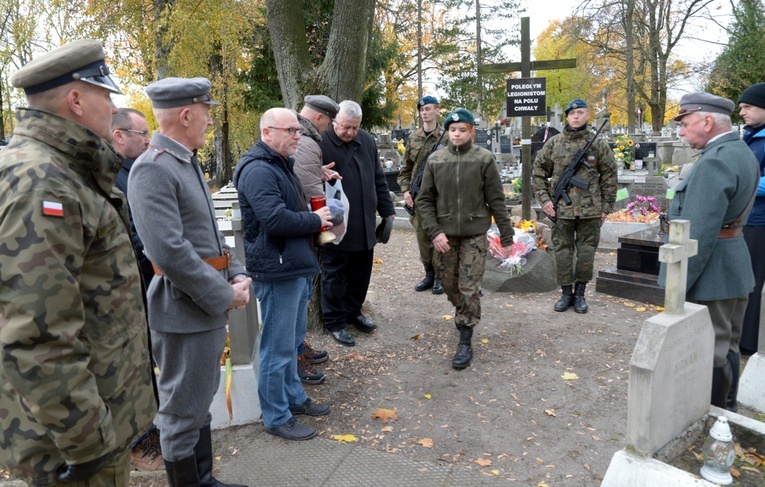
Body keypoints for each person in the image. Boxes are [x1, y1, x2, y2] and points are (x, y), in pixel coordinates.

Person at [0, 39, 156, 486]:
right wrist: (88, 445)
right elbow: (38, 335)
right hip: (76, 439)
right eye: (105, 95)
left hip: (94, 418)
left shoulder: (66, 170)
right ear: (76, 100)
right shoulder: (41, 181)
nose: (111, 107)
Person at [127, 77, 251, 487]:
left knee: (198, 401)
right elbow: (169, 253)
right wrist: (223, 295)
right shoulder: (153, 168)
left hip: (200, 307)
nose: (210, 119)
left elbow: (206, 237)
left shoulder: (184, 160)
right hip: (182, 309)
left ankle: (202, 479)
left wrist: (234, 272)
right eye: (206, 111)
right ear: (185, 114)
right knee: (181, 411)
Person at [233, 107, 334, 441]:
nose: (297, 136)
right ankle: (276, 416)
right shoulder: (259, 170)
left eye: (298, 131)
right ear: (267, 133)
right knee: (277, 348)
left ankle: (293, 397)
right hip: (277, 269)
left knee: (290, 342)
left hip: (293, 263)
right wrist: (315, 221)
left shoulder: (279, 165)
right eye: (290, 130)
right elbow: (274, 219)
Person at [658, 92, 759, 412]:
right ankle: (726, 414)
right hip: (732, 264)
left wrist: (677, 285)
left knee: (713, 348)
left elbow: (697, 232)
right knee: (727, 343)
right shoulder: (739, 151)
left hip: (712, 271)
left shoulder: (716, 161)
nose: (681, 131)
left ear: (707, 121)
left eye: (685, 124)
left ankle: (712, 420)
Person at [416, 108, 514, 369]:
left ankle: (465, 337)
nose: (456, 134)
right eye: (452, 130)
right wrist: (434, 232)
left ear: (471, 131)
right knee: (449, 284)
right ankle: (463, 311)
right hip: (444, 237)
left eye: (462, 130)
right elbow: (424, 200)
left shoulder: (484, 159)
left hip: (474, 234)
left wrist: (507, 236)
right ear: (447, 132)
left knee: (469, 287)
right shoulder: (436, 160)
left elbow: (496, 199)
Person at [110, 108, 165, 472]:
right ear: (119, 136)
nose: (148, 140)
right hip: (124, 287)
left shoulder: (133, 169)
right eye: (141, 133)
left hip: (141, 281)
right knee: (128, 365)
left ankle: (149, 429)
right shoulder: (114, 175)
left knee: (145, 359)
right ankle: (135, 442)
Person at [318, 100, 396, 347]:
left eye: (355, 127)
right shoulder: (321, 142)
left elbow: (378, 178)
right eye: (346, 127)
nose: (351, 133)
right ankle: (335, 321)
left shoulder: (367, 140)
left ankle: (354, 312)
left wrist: (387, 211)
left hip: (364, 220)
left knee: (361, 272)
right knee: (334, 272)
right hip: (335, 223)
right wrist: (319, 171)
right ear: (334, 122)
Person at [532, 98, 617, 314]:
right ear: (567, 117)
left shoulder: (598, 145)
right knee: (562, 251)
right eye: (572, 113)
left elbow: (609, 176)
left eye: (580, 112)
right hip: (561, 209)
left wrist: (606, 207)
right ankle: (565, 293)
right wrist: (545, 200)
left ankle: (580, 293)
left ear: (587, 115)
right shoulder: (554, 143)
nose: (576, 116)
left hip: (591, 209)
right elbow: (539, 172)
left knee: (586, 252)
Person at [292, 94, 342, 385]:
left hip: (299, 229)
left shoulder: (302, 140)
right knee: (299, 297)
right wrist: (324, 233)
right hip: (304, 229)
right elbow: (311, 191)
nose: (328, 129)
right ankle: (296, 354)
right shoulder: (308, 142)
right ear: (320, 118)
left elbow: (304, 176)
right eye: (328, 123)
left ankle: (299, 349)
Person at [398, 95, 445, 295]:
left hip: (441, 196)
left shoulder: (446, 136)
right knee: (422, 237)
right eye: (422, 109)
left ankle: (440, 277)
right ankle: (429, 274)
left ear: (437, 110)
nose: (425, 112)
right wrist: (406, 190)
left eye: (428, 108)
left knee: (439, 235)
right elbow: (405, 168)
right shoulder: (414, 138)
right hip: (418, 196)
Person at [737, 83, 765, 357]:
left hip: (760, 221)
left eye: (748, 107)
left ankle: (749, 343)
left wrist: (740, 183)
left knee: (754, 281)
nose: (742, 112)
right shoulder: (751, 136)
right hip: (747, 217)